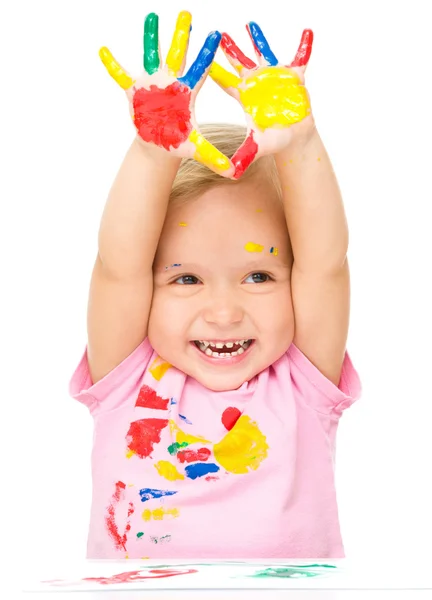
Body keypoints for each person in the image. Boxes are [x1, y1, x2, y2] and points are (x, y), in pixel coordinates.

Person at [69, 11, 361, 559]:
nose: (223, 312)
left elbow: (326, 262)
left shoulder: (303, 382)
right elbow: (119, 264)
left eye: (259, 275)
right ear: (147, 291)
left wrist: (298, 145)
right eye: (185, 278)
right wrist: (153, 151)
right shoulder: (126, 379)